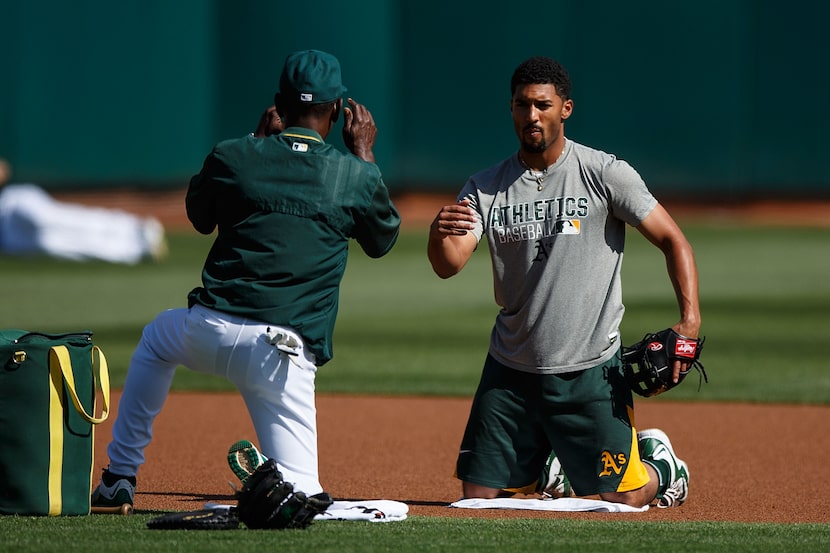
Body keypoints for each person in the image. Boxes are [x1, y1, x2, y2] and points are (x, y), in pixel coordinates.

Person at [91, 49, 401, 508]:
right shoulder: (354, 175)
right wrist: (366, 155)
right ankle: (271, 483)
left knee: (156, 338)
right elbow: (382, 240)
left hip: (207, 330)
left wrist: (255, 140)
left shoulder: (234, 155)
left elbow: (198, 215)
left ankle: (119, 475)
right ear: (339, 111)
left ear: (278, 103)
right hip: (281, 355)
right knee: (303, 500)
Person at [427, 56, 701, 508]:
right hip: (512, 368)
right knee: (479, 497)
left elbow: (674, 240)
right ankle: (548, 464)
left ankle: (661, 465)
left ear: (565, 108)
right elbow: (448, 264)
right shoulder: (486, 187)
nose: (531, 116)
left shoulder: (604, 173)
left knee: (622, 499)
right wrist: (438, 238)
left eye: (542, 104)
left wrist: (689, 321)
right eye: (521, 105)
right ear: (511, 109)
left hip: (589, 369)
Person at [0, 158, 167, 264]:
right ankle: (135, 250)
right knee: (57, 245)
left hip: (11, 201)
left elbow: (3, 169)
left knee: (57, 219)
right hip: (9, 237)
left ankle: (137, 228)